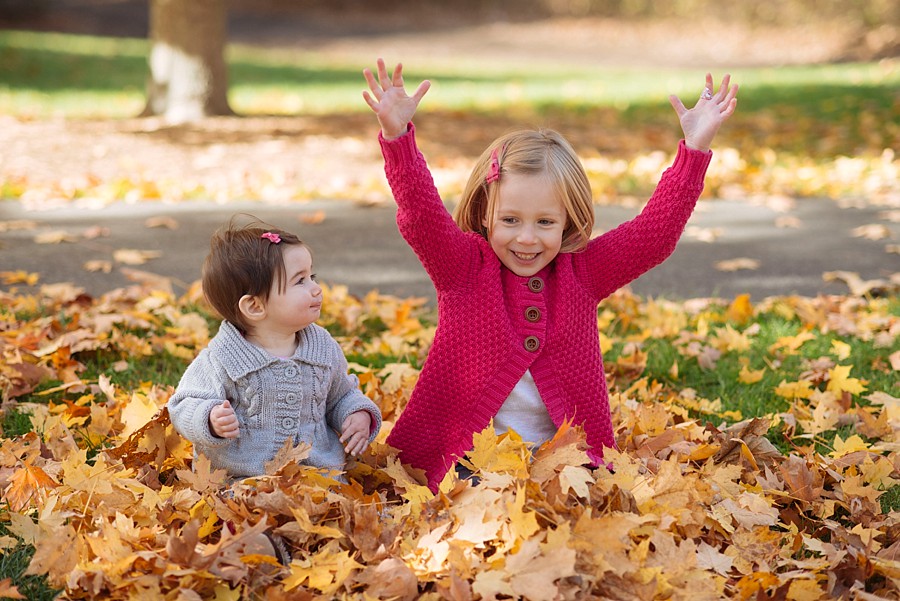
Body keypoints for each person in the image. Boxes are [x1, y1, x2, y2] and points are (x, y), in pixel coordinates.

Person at [362, 58, 737, 492]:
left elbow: (653, 236)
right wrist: (397, 138)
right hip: (465, 462)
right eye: (511, 220)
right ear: (486, 215)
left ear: (568, 222)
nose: (527, 239)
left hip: (565, 461)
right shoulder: (462, 268)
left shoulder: (584, 273)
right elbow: (421, 214)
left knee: (577, 518)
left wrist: (694, 150)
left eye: (545, 223)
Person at [168, 216, 382, 482]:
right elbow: (183, 405)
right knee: (245, 509)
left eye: (311, 276)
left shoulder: (322, 348)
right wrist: (209, 419)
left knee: (334, 511)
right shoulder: (222, 357)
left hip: (317, 474)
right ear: (255, 307)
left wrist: (356, 413)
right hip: (244, 476)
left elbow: (341, 395)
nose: (316, 289)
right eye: (300, 281)